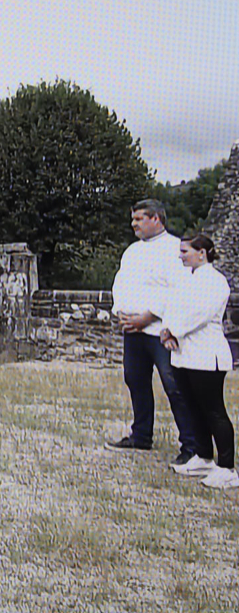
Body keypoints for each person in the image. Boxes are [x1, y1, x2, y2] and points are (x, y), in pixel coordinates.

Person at [107, 199, 198, 465]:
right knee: (135, 380)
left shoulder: (175, 249)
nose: (133, 224)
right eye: (133, 219)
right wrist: (121, 313)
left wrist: (148, 316)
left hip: (161, 330)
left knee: (174, 385)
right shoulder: (131, 251)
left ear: (156, 219)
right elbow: (120, 284)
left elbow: (178, 289)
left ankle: (191, 446)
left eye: (139, 219)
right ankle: (141, 435)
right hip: (132, 330)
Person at [159, 235, 238, 489]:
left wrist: (173, 331)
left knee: (213, 410)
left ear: (202, 252)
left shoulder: (215, 282)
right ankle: (203, 457)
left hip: (206, 356)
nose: (180, 256)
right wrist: (166, 331)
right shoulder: (185, 279)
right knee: (192, 407)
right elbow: (171, 307)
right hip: (183, 355)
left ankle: (227, 468)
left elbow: (200, 314)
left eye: (185, 251)